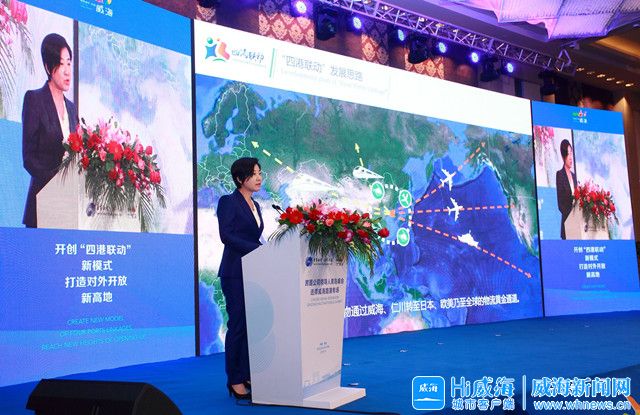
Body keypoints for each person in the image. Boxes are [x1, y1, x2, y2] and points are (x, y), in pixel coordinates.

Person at [217, 157, 264, 400]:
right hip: (234, 272)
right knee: (237, 325)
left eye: (260, 173)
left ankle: (246, 373)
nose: (259, 177)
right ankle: (234, 379)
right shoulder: (228, 202)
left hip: (254, 272)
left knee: (251, 326)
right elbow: (226, 236)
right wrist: (257, 249)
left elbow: (254, 236)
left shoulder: (257, 205)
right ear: (239, 178)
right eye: (253, 173)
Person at [22, 33, 79, 228]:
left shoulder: (72, 109)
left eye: (69, 63)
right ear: (48, 67)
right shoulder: (34, 100)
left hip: (67, 210)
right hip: (41, 207)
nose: (67, 71)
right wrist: (58, 183)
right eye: (61, 64)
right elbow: (29, 159)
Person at [556, 139, 577, 240]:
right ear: (563, 156)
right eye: (568, 154)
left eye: (571, 153)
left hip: (577, 226)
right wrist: (572, 217)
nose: (571, 158)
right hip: (567, 226)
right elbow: (561, 205)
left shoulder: (574, 176)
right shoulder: (560, 174)